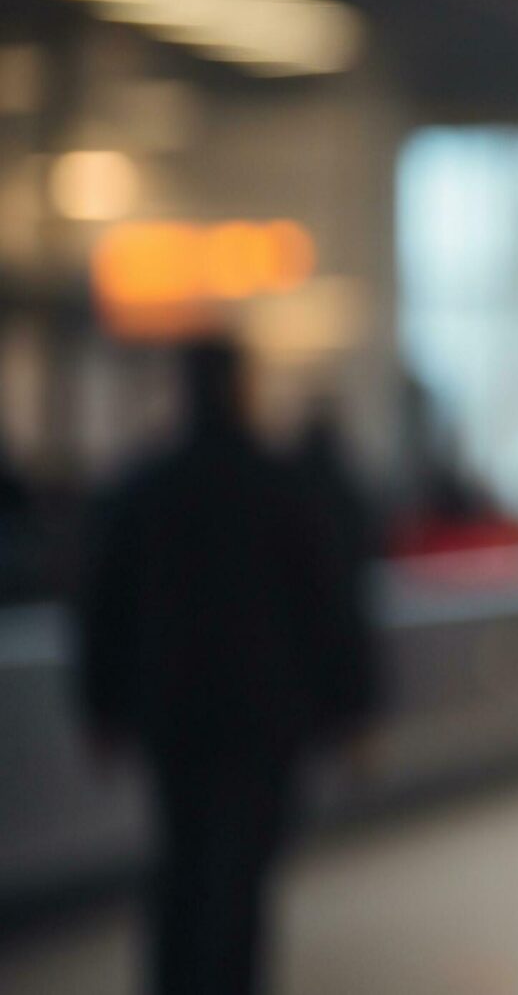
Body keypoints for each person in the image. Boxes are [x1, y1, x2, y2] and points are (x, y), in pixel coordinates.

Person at [76, 333, 377, 995]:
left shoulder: (143, 489)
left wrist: (100, 708)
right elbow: (328, 607)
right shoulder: (283, 490)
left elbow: (102, 608)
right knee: (241, 873)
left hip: (171, 713)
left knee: (182, 858)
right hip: (264, 716)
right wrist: (353, 707)